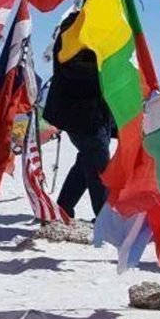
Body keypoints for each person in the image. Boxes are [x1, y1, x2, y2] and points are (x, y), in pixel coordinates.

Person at [43, 12, 115, 221]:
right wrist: (104, 66)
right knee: (99, 165)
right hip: (81, 114)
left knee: (87, 160)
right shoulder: (75, 27)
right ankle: (105, 219)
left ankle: (64, 209)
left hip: (92, 113)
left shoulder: (94, 27)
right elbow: (71, 68)